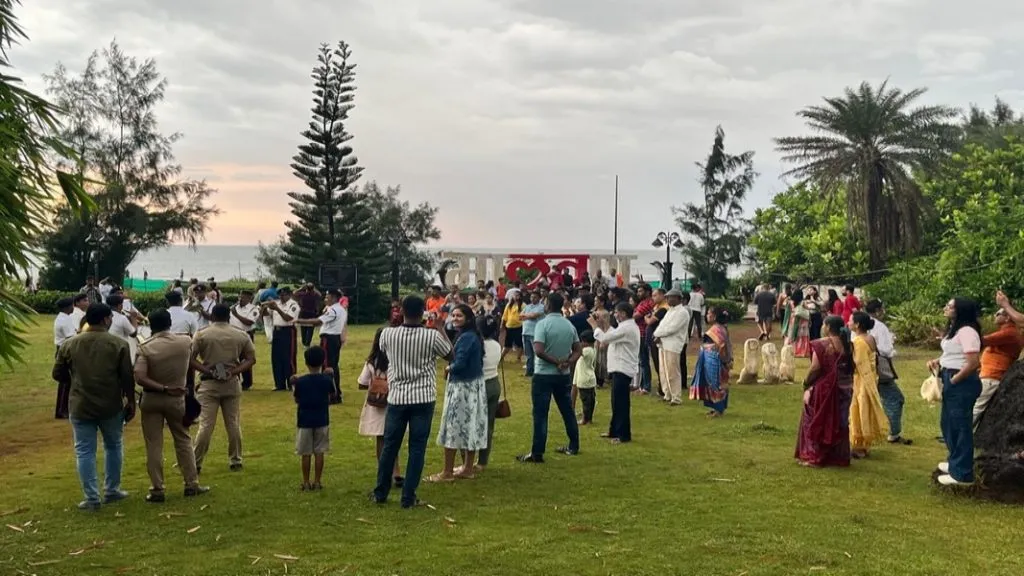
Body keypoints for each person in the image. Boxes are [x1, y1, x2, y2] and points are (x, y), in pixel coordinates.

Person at [51, 304, 136, 510]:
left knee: (84, 450)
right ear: (106, 319)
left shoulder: (70, 344)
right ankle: (112, 490)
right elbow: (127, 377)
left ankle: (91, 497)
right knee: (113, 445)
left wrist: (75, 380)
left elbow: (57, 373)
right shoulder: (119, 344)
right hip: (111, 404)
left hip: (80, 404)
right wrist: (131, 401)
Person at [371, 295, 453, 508]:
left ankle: (380, 492)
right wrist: (440, 328)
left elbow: (383, 352)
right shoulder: (431, 336)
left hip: (397, 396)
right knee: (417, 448)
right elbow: (451, 355)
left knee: (390, 446)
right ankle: (408, 496)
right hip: (423, 397)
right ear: (423, 312)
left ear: (402, 311)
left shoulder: (387, 334)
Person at [134, 309, 209, 502]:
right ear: (169, 323)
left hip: (152, 398)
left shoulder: (145, 347)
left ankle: (157, 488)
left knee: (154, 444)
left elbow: (140, 377)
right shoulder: (184, 341)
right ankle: (191, 483)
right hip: (177, 397)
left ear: (151, 325)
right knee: (183, 439)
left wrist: (163, 388)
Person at [191, 304, 257, 473]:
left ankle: (196, 462)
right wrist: (234, 371)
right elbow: (251, 359)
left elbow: (190, 359)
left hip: (209, 382)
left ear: (212, 316)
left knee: (206, 425)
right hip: (231, 382)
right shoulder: (240, 334)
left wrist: (206, 370)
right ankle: (236, 459)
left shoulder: (202, 334)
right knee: (233, 423)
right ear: (229, 316)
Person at [518, 292, 582, 461]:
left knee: (540, 414)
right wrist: (567, 362)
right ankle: (574, 445)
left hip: (543, 374)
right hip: (563, 375)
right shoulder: (569, 325)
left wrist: (555, 362)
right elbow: (578, 349)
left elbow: (538, 350)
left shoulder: (543, 324)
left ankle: (537, 452)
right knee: (567, 410)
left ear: (548, 305)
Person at [928, 298, 983, 486]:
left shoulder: (967, 331)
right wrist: (938, 361)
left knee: (960, 427)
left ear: (960, 310)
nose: (946, 308)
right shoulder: (956, 329)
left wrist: (955, 379)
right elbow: (953, 353)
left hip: (962, 382)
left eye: (950, 306)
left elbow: (973, 362)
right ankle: (955, 462)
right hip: (950, 377)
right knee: (948, 424)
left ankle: (962, 473)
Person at [430, 304, 488, 482]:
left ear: (468, 318)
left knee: (453, 427)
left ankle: (447, 472)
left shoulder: (466, 337)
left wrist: (448, 368)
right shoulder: (470, 335)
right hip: (474, 386)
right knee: (471, 426)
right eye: (453, 315)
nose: (455, 318)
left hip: (463, 388)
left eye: (459, 316)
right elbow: (453, 352)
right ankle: (467, 468)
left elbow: (459, 362)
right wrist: (441, 329)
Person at [796, 316, 854, 467]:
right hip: (845, 388)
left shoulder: (823, 344)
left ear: (827, 327)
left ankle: (815, 456)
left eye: (824, 324)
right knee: (840, 422)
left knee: (816, 418)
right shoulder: (848, 344)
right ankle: (838, 457)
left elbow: (815, 368)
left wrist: (806, 382)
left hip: (826, 388)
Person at [357, 328, 403, 486]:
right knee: (393, 438)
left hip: (376, 404)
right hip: (394, 401)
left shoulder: (372, 361)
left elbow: (362, 382)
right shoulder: (397, 359)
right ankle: (396, 471)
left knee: (380, 439)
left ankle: (383, 472)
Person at [591, 301, 640, 443]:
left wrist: (594, 326)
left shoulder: (628, 328)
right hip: (619, 368)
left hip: (623, 368)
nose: (615, 315)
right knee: (616, 402)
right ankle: (614, 431)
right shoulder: (625, 326)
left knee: (621, 403)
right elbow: (611, 333)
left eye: (617, 312)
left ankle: (623, 435)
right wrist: (602, 324)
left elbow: (605, 338)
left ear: (623, 314)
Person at [865, 299, 911, 445]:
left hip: (863, 369)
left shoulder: (858, 324)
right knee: (895, 399)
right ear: (878, 311)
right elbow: (886, 350)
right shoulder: (880, 327)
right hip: (879, 369)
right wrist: (892, 348)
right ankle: (893, 432)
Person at [291, 346, 334, 491]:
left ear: (306, 363)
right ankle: (317, 481)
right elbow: (331, 395)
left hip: (304, 420)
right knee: (319, 452)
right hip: (322, 419)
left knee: (305, 453)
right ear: (323, 362)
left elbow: (297, 399)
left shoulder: (301, 381)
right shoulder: (326, 380)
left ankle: (305, 481)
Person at [295, 289, 348, 403]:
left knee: (327, 366)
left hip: (328, 338)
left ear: (334, 298)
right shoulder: (341, 309)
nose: (325, 299)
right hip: (335, 338)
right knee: (333, 366)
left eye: (327, 297)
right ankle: (336, 393)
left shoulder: (333, 310)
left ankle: (331, 395)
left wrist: (299, 321)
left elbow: (318, 321)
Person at [974, 307, 1024, 427]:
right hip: (990, 375)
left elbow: (983, 341)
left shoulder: (1009, 333)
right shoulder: (1008, 332)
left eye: (998, 314)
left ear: (1007, 318)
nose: (995, 315)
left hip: (993, 376)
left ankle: (959, 433)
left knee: (976, 407)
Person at [849, 311, 888, 458]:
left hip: (862, 380)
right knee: (866, 409)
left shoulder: (858, 342)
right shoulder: (870, 338)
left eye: (850, 320)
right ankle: (865, 444)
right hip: (871, 377)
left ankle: (859, 445)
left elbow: (857, 364)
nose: (848, 323)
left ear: (857, 324)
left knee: (859, 410)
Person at [690, 307, 733, 417]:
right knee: (713, 383)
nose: (707, 315)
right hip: (713, 360)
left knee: (716, 384)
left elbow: (722, 346)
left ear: (714, 316)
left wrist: (725, 361)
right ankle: (716, 408)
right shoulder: (720, 328)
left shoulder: (717, 330)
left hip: (717, 361)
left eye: (709, 313)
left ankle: (719, 410)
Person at [653, 289, 691, 405]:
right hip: (663, 343)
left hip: (673, 344)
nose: (668, 299)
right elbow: (662, 325)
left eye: (670, 297)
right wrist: (657, 334)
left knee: (672, 372)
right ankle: (667, 394)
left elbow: (672, 328)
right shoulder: (670, 311)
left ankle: (676, 397)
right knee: (663, 371)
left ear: (678, 299)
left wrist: (657, 334)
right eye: (667, 297)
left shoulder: (682, 312)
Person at [476, 315, 504, 471]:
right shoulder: (496, 345)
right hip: (494, 383)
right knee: (488, 425)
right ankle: (482, 461)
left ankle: (468, 461)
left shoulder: (477, 345)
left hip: (480, 384)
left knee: (473, 423)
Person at [264, 287, 300, 391]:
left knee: (288, 357)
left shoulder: (293, 305)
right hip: (277, 331)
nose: (281, 297)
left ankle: (291, 383)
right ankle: (279, 384)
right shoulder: (277, 303)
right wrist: (264, 308)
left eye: (284, 295)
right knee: (276, 358)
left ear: (289, 295)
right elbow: (267, 315)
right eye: (280, 295)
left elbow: (288, 318)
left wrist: (277, 309)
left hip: (288, 331)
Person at [53, 298, 79, 419]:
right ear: (68, 307)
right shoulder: (65, 320)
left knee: (64, 382)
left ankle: (61, 409)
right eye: (72, 305)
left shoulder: (61, 318)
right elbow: (70, 337)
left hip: (61, 349)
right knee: (66, 382)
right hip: (65, 351)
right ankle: (63, 410)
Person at [229, 290, 260, 391]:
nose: (240, 299)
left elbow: (249, 322)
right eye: (239, 297)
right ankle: (235, 380)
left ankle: (247, 383)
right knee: (233, 358)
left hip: (245, 335)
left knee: (246, 359)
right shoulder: (234, 308)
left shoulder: (253, 309)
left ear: (249, 298)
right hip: (233, 335)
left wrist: (236, 314)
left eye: (243, 297)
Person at [632, 283, 655, 394]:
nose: (638, 293)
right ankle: (642, 386)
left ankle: (646, 387)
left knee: (644, 361)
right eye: (638, 291)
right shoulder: (642, 302)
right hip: (638, 333)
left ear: (647, 292)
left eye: (640, 291)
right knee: (641, 361)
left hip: (643, 334)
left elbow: (635, 316)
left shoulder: (649, 303)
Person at [520, 291, 546, 377]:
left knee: (536, 353)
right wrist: (528, 316)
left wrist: (526, 316)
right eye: (531, 297)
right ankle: (529, 371)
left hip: (535, 333)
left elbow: (534, 315)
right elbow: (520, 316)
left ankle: (537, 371)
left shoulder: (542, 307)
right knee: (528, 354)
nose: (532, 299)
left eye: (535, 297)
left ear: (539, 298)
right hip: (525, 332)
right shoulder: (527, 306)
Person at [574, 331, 598, 425]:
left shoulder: (587, 350)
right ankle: (589, 419)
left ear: (586, 342)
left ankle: (585, 419)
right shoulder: (593, 349)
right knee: (591, 401)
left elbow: (578, 352)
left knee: (585, 401)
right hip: (591, 379)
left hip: (584, 380)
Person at [107, 295, 139, 363]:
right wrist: (134, 318)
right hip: (120, 351)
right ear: (119, 306)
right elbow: (134, 334)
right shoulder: (122, 318)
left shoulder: (105, 316)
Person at [784, 290, 811, 358]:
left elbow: (787, 310)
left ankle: (791, 349)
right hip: (802, 320)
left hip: (793, 319)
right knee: (802, 336)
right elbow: (808, 309)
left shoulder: (790, 302)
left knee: (792, 333)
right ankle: (802, 351)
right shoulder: (803, 302)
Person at [500, 290, 525, 364]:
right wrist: (502, 324)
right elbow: (504, 315)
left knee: (520, 343)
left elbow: (524, 315)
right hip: (509, 326)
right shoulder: (509, 304)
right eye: (514, 295)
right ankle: (501, 357)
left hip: (519, 327)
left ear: (520, 296)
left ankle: (518, 358)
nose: (516, 297)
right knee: (507, 344)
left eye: (518, 295)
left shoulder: (523, 305)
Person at [295, 283, 322, 348]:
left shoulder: (303, 294)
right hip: (312, 313)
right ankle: (307, 344)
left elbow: (294, 293)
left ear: (306, 288)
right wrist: (314, 288)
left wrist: (301, 288)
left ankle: (304, 342)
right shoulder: (314, 295)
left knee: (303, 329)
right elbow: (320, 294)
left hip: (303, 313)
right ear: (313, 289)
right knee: (310, 329)